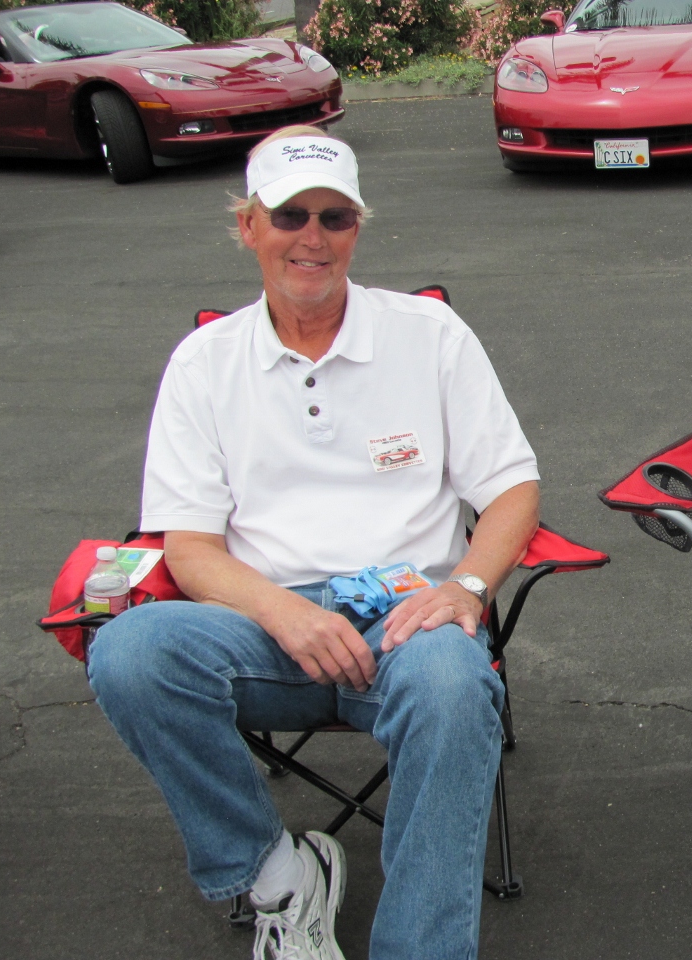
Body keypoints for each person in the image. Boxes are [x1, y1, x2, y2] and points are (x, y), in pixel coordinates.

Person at [87, 124, 541, 960]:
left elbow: (513, 488)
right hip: (262, 626)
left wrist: (468, 588)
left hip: (406, 617)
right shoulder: (204, 363)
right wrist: (286, 614)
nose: (313, 237)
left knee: (451, 684)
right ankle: (275, 875)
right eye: (290, 214)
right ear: (248, 225)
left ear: (357, 229)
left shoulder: (430, 338)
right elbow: (188, 549)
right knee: (127, 652)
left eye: (335, 217)